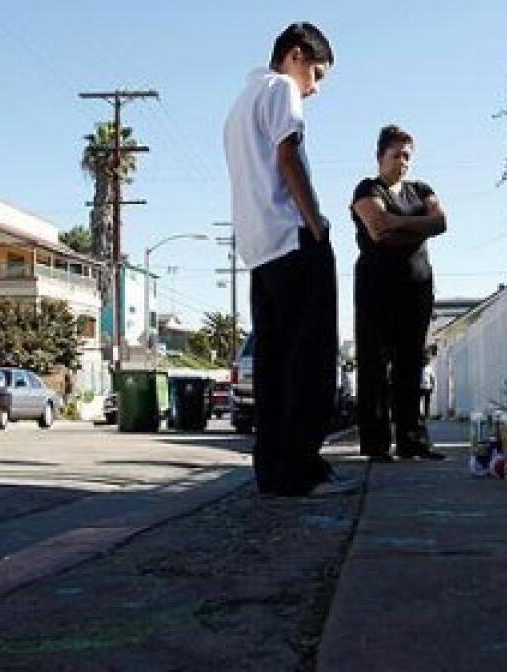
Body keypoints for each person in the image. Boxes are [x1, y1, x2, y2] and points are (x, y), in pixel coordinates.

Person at [223, 22, 353, 496]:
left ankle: (274, 473)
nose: (314, 88)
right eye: (316, 73)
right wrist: (316, 223)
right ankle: (302, 468)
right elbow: (287, 157)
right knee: (312, 360)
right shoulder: (280, 88)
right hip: (293, 238)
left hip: (259, 250)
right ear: (295, 55)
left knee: (275, 366)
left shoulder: (238, 105)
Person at [351, 125, 448, 461]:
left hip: (417, 288)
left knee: (410, 365)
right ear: (380, 156)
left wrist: (397, 223)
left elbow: (441, 222)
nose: (403, 162)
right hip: (377, 290)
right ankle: (376, 444)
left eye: (407, 156)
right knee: (375, 365)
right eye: (396, 155)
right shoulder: (368, 188)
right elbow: (378, 229)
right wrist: (416, 228)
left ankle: (412, 440)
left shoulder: (421, 189)